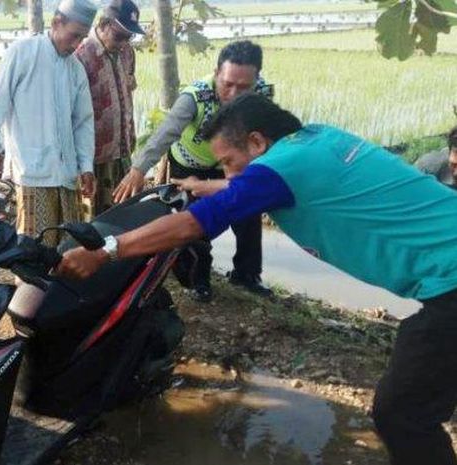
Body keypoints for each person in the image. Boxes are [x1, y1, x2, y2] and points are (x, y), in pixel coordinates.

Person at [59, 92, 457, 465]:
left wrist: (106, 250)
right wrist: (206, 185)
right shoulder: (318, 138)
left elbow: (195, 225)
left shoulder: (278, 170)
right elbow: (257, 185)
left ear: (257, 142)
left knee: (401, 413)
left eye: (229, 161)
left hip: (452, 283)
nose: (228, 172)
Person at [114, 40, 271, 301]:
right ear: (217, 72)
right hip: (190, 165)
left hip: (229, 165)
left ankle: (246, 274)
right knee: (196, 221)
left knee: (248, 215)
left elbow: (270, 135)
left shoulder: (262, 94)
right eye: (227, 84)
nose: (234, 93)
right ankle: (199, 280)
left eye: (244, 87)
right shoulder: (195, 96)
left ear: (256, 80)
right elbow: (166, 133)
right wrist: (139, 169)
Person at [0, 0, 97, 247]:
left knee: (69, 249)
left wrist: (86, 165)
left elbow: (83, 122)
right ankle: (29, 288)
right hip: (31, 172)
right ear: (56, 23)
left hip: (66, 175)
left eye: (82, 39)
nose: (76, 45)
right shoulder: (22, 52)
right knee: (32, 250)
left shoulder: (76, 69)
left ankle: (59, 288)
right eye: (74, 36)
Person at [74, 0, 143, 216]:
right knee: (95, 221)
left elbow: (128, 94)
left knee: (125, 217)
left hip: (122, 150)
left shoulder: (127, 53)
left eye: (129, 37)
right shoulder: (80, 56)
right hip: (93, 158)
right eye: (120, 36)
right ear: (104, 24)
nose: (124, 43)